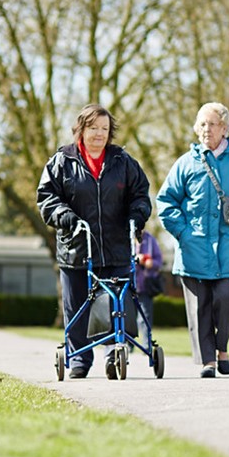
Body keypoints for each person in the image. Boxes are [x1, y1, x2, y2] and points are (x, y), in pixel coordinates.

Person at [37, 104, 151, 379]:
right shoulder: (62, 162)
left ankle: (114, 353)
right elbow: (47, 198)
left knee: (115, 305)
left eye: (104, 128)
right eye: (93, 128)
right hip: (76, 248)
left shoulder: (123, 162)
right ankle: (79, 360)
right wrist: (65, 216)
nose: (99, 134)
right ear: (81, 129)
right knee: (77, 306)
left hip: (116, 249)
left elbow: (141, 195)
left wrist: (137, 215)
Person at [157, 102, 229, 378]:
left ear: (225, 128)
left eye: (213, 123)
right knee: (200, 306)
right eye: (202, 124)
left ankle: (222, 349)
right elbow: (166, 201)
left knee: (225, 300)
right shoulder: (186, 163)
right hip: (193, 246)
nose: (207, 129)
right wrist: (182, 233)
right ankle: (208, 361)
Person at [134, 229, 163, 337]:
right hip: (128, 284)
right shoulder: (125, 237)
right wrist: (135, 259)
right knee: (127, 316)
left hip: (145, 285)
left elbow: (159, 261)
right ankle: (128, 344)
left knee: (145, 317)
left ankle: (146, 346)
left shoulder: (151, 240)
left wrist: (150, 263)